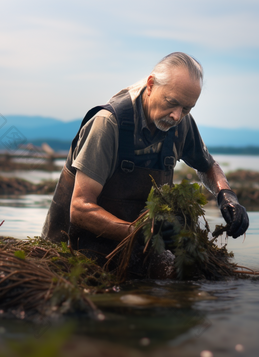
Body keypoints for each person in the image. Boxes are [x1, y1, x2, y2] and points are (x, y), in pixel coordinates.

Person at [42, 52, 249, 265]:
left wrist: (226, 195)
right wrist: (138, 233)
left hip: (134, 251)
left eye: (187, 108)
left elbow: (208, 166)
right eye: (172, 102)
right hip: (73, 253)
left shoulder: (180, 123)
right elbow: (80, 208)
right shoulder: (108, 125)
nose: (177, 116)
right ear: (150, 85)